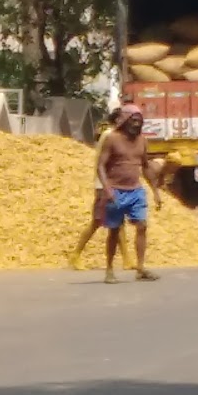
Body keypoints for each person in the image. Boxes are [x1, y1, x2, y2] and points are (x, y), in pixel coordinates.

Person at [96, 103, 163, 282]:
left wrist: (155, 191)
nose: (136, 124)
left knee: (142, 225)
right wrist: (107, 189)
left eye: (139, 121)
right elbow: (101, 165)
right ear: (125, 120)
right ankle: (109, 270)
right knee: (114, 231)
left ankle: (140, 268)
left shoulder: (142, 141)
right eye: (133, 120)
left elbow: (146, 167)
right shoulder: (112, 139)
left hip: (136, 191)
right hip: (115, 190)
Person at [69, 107, 126, 269]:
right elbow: (103, 163)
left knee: (119, 222)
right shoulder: (109, 135)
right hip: (104, 185)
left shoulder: (115, 135)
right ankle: (76, 255)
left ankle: (127, 259)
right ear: (118, 120)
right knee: (97, 221)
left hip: (112, 184)